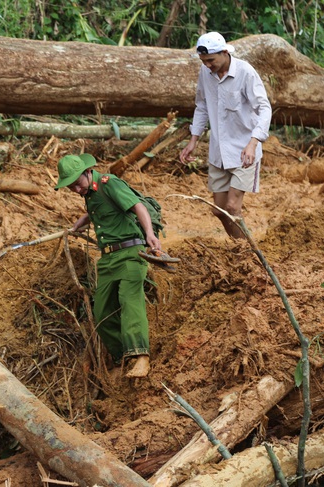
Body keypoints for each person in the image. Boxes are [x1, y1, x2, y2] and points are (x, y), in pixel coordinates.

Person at [55, 153, 162, 378]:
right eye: (70, 187)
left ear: (87, 173)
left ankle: (141, 356)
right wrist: (81, 222)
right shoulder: (90, 193)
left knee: (129, 300)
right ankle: (122, 357)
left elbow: (138, 207)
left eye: (77, 184)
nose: (76, 190)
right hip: (108, 259)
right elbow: (99, 210)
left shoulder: (109, 183)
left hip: (131, 253)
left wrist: (150, 235)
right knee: (102, 312)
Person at [180, 31, 272, 239]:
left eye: (211, 60)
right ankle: (239, 247)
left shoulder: (245, 72)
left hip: (244, 151)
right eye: (204, 61)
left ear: (224, 52)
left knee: (232, 207)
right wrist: (193, 140)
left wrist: (253, 143)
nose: (207, 65)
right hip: (218, 152)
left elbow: (264, 108)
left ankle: (246, 253)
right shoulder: (205, 73)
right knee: (219, 210)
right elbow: (202, 105)